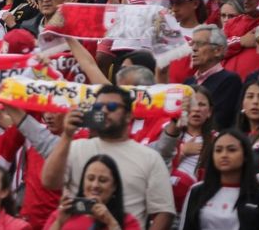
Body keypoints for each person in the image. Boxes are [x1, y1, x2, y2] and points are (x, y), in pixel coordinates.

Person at [41, 86, 175, 229]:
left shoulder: (149, 158)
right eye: (98, 107)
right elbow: (49, 182)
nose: (104, 111)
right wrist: (67, 135)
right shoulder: (75, 147)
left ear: (128, 116)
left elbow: (164, 212)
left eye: (112, 107)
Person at [180, 130, 259, 229]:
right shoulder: (196, 191)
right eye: (218, 150)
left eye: (232, 150)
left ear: (245, 155)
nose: (224, 155)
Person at [43, 154, 142, 230]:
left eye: (103, 180)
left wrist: (111, 222)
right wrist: (59, 222)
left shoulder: (128, 222)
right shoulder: (61, 215)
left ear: (114, 186)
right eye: (90, 179)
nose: (95, 185)